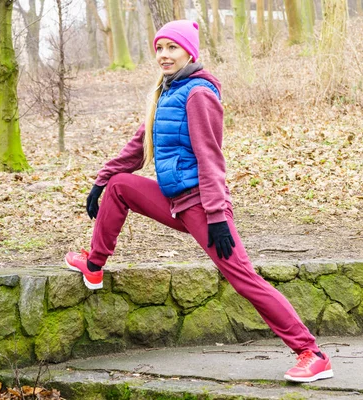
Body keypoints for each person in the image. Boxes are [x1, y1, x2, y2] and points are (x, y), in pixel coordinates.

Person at [65, 20, 333, 383]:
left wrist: (218, 215)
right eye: (159, 48)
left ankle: (311, 353)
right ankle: (93, 265)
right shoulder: (167, 92)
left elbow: (210, 159)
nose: (163, 55)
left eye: (172, 48)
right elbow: (137, 148)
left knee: (244, 279)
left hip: (201, 207)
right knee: (120, 186)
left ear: (190, 52)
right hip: (173, 199)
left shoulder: (198, 94)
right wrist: (101, 179)